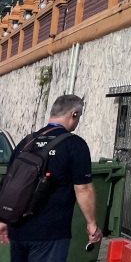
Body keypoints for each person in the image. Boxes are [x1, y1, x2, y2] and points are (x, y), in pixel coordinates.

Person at [0, 95, 103, 262]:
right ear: (74, 114)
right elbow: (83, 188)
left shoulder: (26, 142)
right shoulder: (74, 144)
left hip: (18, 230)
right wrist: (92, 223)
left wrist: (3, 220)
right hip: (50, 234)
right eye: (79, 116)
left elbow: (9, 182)